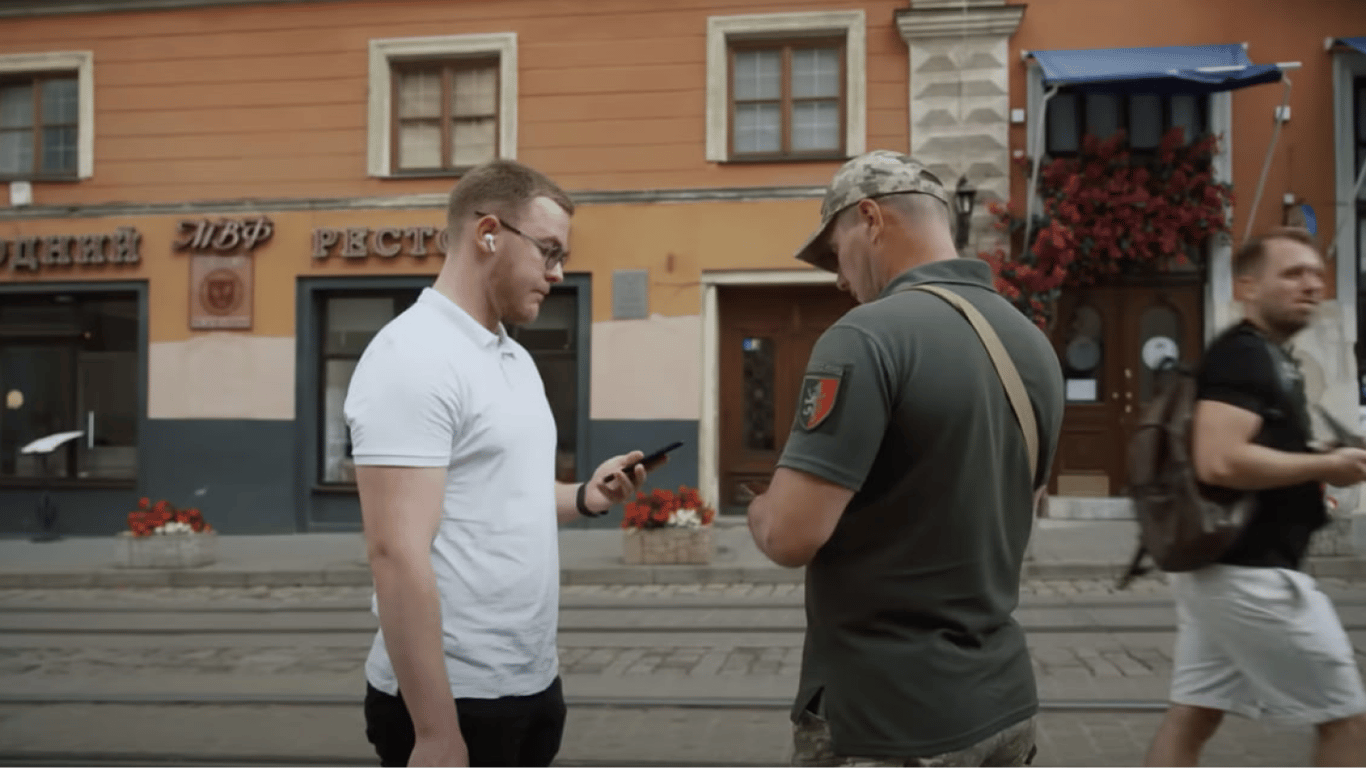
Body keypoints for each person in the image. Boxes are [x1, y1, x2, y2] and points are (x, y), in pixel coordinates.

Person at [746, 150, 1065, 768]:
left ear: (870, 218)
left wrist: (761, 508)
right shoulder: (1033, 344)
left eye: (836, 252)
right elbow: (1013, 508)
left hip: (890, 720)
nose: (838, 279)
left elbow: (790, 535)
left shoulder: (866, 335)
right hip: (1004, 708)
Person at [344, 159, 654, 768]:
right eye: (548, 251)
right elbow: (396, 555)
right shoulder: (414, 357)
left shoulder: (511, 357)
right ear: (488, 233)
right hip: (456, 703)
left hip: (531, 683)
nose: (557, 273)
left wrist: (588, 495)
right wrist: (436, 733)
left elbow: (511, 497)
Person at [1143, 228, 1366, 768]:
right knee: (1348, 719)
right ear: (1246, 285)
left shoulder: (1268, 356)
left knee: (1195, 715)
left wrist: (1313, 455)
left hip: (1223, 570)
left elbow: (1249, 448)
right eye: (1293, 274)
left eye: (1317, 273)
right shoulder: (1244, 355)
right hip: (1253, 577)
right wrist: (1326, 465)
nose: (1312, 284)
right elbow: (1219, 459)